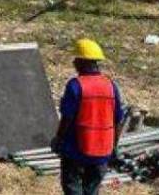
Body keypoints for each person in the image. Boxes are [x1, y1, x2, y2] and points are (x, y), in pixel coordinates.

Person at [51, 38, 125, 195]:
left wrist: (59, 139)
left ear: (83, 61)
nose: (74, 63)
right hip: (102, 150)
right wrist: (113, 146)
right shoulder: (110, 85)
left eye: (76, 59)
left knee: (72, 184)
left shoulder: (75, 85)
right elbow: (118, 119)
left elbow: (67, 118)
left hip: (76, 147)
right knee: (92, 189)